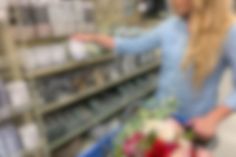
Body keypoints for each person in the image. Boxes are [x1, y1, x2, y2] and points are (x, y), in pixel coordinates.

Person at [72, 0, 236, 141]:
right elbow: (134, 45)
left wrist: (213, 118)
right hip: (161, 116)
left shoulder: (228, 32)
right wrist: (96, 38)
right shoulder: (170, 27)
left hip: (193, 125)